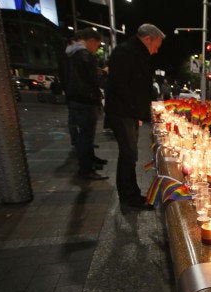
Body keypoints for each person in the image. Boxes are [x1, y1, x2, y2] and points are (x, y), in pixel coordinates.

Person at [105, 23, 165, 210]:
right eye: (155, 46)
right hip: (123, 113)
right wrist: (136, 109)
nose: (155, 51)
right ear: (147, 39)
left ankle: (130, 194)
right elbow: (122, 86)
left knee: (130, 155)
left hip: (128, 112)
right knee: (129, 154)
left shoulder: (136, 53)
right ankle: (129, 197)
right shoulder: (125, 53)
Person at [64, 28, 108, 180]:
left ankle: (90, 161)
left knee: (86, 135)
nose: (97, 49)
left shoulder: (71, 54)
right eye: (97, 45)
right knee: (85, 136)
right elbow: (92, 80)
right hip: (85, 100)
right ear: (91, 41)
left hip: (77, 99)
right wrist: (103, 74)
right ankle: (86, 170)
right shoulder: (83, 55)